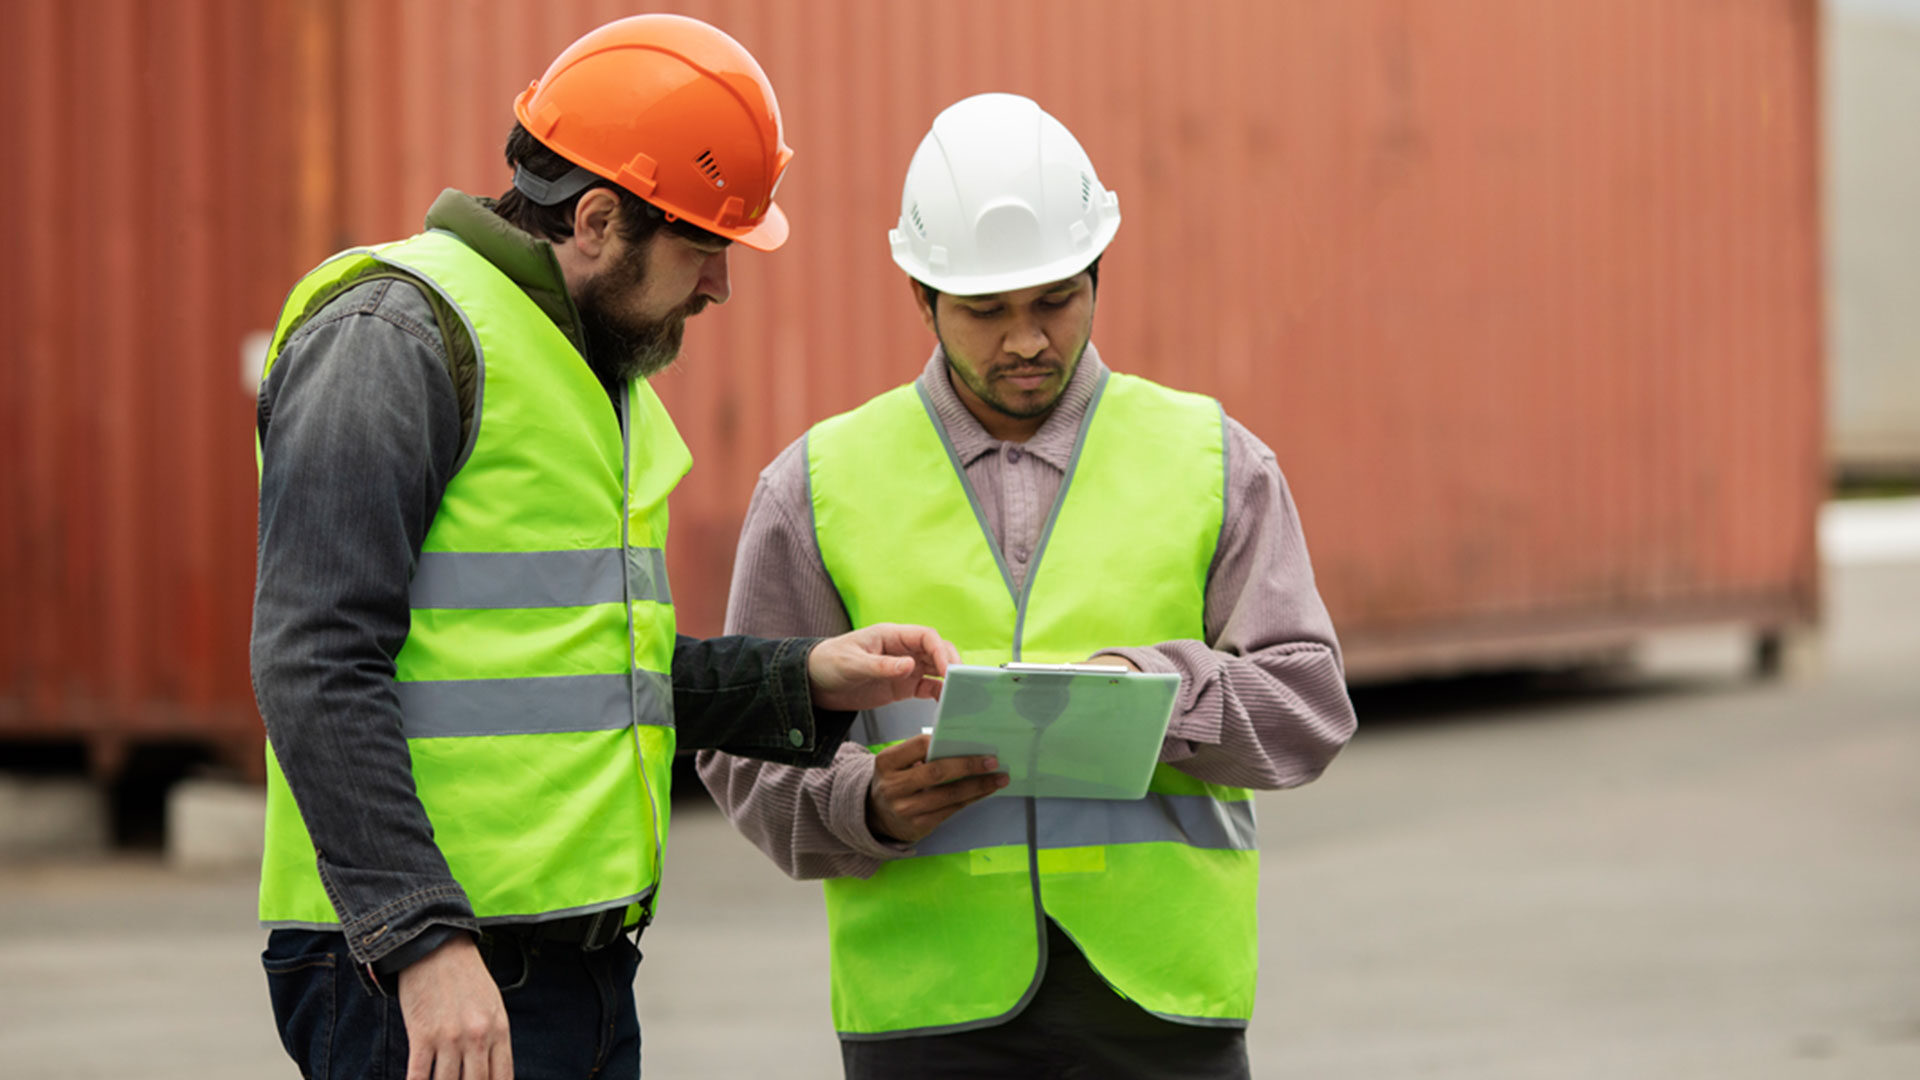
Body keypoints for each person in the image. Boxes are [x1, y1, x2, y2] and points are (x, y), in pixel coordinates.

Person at [250, 16, 958, 1080]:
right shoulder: (390, 338)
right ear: (596, 218)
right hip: (427, 976)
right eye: (705, 245)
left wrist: (804, 677)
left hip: (573, 972)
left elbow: (576, 675)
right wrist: (421, 940)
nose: (720, 284)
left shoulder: (587, 375)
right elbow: (313, 660)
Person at [697, 92, 1359, 1079]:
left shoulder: (1214, 461)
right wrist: (862, 806)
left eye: (1056, 299)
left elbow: (1311, 704)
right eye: (986, 311)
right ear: (919, 296)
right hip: (926, 1011)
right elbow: (741, 751)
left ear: (1099, 273)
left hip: (1162, 1004)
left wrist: (1154, 696)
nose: (1026, 341)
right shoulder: (817, 488)